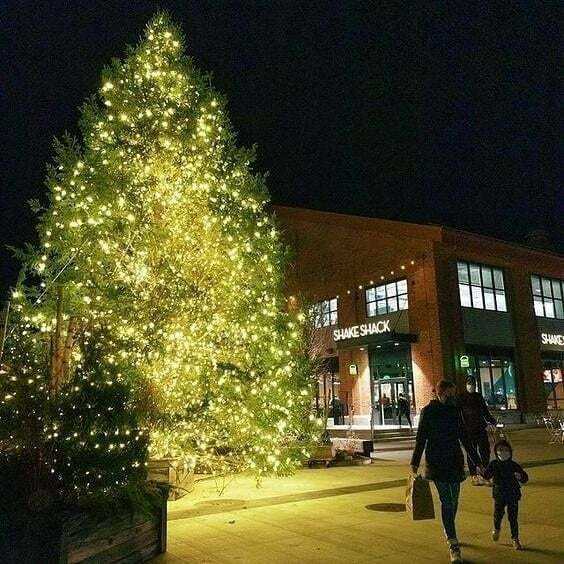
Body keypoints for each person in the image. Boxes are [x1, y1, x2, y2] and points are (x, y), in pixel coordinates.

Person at [410, 380, 484, 564]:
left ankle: (448, 527)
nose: (452, 398)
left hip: (454, 461)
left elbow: (465, 438)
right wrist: (415, 462)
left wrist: (477, 461)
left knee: (455, 499)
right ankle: (453, 543)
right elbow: (421, 438)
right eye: (449, 394)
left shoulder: (454, 411)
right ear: (440, 393)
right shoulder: (429, 412)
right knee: (447, 501)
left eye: (453, 394)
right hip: (436, 462)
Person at [482, 439, 528, 551]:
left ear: (510, 451)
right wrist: (483, 472)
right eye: (500, 450)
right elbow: (486, 476)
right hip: (499, 495)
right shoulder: (494, 464)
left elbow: (525, 477)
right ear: (496, 451)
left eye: (506, 450)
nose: (503, 452)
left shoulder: (514, 465)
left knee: (513, 517)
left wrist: (520, 476)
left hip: (512, 494)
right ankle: (497, 529)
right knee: (498, 515)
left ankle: (515, 539)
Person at [458, 376, 497, 485]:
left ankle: (485, 474)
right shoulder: (461, 398)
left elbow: (485, 412)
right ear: (466, 384)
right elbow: (458, 414)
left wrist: (493, 421)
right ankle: (473, 474)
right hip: (468, 429)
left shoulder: (478, 397)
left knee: (485, 451)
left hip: (480, 428)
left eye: (473, 383)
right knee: (472, 452)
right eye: (469, 383)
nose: (471, 385)